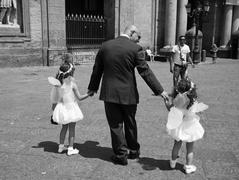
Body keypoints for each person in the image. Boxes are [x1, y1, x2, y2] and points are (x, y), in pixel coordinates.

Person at [87, 25, 169, 165]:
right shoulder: (135, 49)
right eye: (138, 36)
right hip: (128, 93)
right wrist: (160, 90)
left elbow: (97, 69)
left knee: (115, 124)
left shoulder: (105, 46)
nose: (139, 40)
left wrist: (93, 88)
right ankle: (133, 150)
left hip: (110, 93)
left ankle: (120, 154)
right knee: (130, 122)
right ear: (131, 33)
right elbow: (145, 71)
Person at [164, 78, 208, 174]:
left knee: (176, 144)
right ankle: (188, 167)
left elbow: (170, 109)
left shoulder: (176, 102)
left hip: (179, 126)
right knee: (190, 148)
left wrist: (166, 102)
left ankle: (172, 163)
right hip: (190, 127)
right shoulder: (193, 102)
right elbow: (198, 111)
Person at [51, 62, 90, 156]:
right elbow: (80, 97)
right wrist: (89, 94)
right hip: (71, 109)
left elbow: (54, 100)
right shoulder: (72, 84)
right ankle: (70, 148)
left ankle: (60, 147)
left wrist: (54, 111)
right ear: (71, 73)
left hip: (61, 108)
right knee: (72, 129)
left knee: (64, 128)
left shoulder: (57, 84)